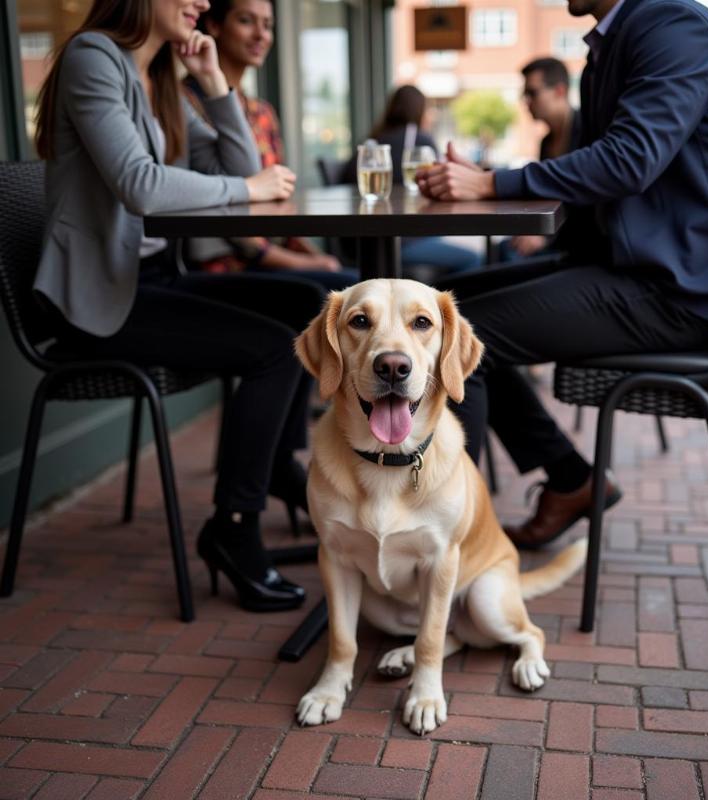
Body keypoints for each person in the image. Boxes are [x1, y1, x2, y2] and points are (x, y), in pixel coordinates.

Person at [419, 0, 708, 549]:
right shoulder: (618, 41)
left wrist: (494, 184)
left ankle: (449, 552)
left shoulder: (674, 28)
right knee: (443, 309)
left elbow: (630, 159)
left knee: (455, 337)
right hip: (649, 271)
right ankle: (571, 480)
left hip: (684, 293)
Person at [33, 0, 326, 611]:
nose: (202, 3)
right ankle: (234, 529)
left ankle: (272, 465)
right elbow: (141, 185)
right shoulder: (94, 58)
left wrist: (217, 86)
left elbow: (242, 171)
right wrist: (246, 188)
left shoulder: (162, 76)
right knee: (276, 348)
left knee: (309, 305)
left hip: (158, 280)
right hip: (99, 302)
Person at [184, 0, 357, 291]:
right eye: (246, 21)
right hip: (224, 267)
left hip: (272, 258)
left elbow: (280, 205)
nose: (261, 35)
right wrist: (302, 263)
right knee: (350, 292)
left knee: (358, 284)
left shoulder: (262, 112)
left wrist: (315, 257)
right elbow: (220, 216)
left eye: (267, 25)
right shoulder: (186, 105)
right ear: (213, 26)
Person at [343, 85, 482, 277]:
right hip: (401, 241)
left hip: (360, 245)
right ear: (420, 111)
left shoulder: (372, 141)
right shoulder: (421, 141)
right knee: (473, 258)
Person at [498, 56, 580, 263]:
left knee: (509, 254)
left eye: (532, 93)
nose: (526, 101)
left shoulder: (585, 130)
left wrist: (545, 238)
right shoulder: (546, 141)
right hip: (554, 234)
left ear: (559, 91)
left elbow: (585, 200)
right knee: (502, 249)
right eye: (524, 94)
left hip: (579, 241)